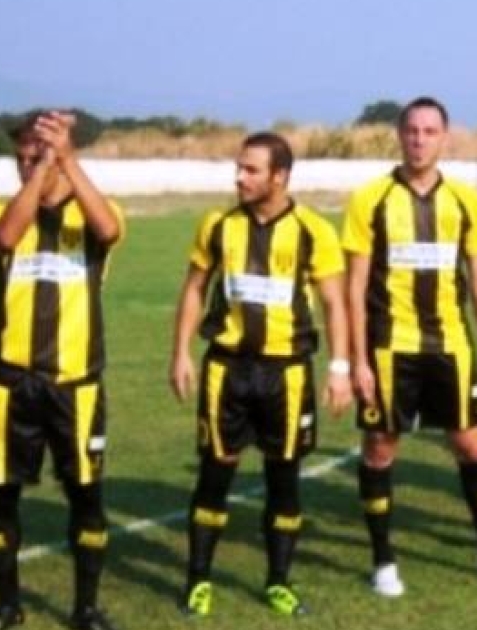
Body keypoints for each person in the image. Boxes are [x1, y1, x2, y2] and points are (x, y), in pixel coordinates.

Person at [342, 96, 477, 597]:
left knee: (471, 445)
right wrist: (357, 360)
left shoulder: (467, 201)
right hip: (390, 347)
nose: (419, 140)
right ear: (399, 136)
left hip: (451, 345)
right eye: (412, 130)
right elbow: (354, 287)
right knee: (381, 447)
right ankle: (383, 562)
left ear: (444, 137)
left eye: (429, 131)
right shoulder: (370, 199)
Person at [170, 132, 351, 617]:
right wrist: (181, 353)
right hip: (226, 371)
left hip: (286, 374)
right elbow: (194, 289)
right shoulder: (218, 226)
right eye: (239, 168)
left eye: (251, 170)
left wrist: (339, 368)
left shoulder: (314, 230)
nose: (239, 177)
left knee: (283, 480)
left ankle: (278, 582)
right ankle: (198, 580)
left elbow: (334, 303)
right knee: (215, 475)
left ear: (279, 176)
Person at [0, 110, 123, 630]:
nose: (25, 165)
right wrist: (41, 170)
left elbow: (109, 229)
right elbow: (4, 238)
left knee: (86, 497)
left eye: (34, 156)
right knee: (0, 497)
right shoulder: (0, 211)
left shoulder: (95, 213)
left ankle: (86, 608)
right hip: (9, 382)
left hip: (74, 384)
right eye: (20, 158)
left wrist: (66, 159)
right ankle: (7, 605)